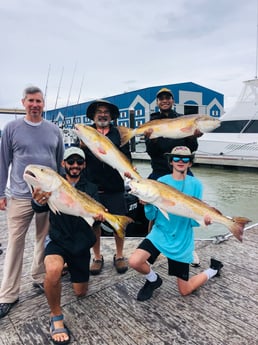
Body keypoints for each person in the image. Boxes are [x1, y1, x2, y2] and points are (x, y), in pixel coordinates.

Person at [0, 86, 64, 319]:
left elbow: (59, 165)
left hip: (48, 197)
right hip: (19, 196)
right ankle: (8, 294)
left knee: (43, 240)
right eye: (31, 101)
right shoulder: (11, 128)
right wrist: (0, 193)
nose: (35, 104)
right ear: (23, 102)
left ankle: (38, 276)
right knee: (15, 244)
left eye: (38, 101)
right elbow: (3, 162)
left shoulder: (54, 131)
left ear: (43, 104)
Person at [128, 146, 223, 302]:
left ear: (190, 163)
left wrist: (204, 220)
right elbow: (152, 215)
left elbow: (193, 221)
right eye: (176, 158)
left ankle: (213, 269)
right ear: (171, 161)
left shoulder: (196, 185)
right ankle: (153, 280)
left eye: (185, 159)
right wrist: (148, 204)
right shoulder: (161, 182)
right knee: (134, 261)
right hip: (160, 233)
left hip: (181, 238)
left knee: (185, 291)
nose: (180, 161)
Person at [31, 147, 102, 345]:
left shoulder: (92, 188)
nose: (75, 166)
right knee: (52, 270)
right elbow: (39, 207)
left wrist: (98, 218)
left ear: (84, 165)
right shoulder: (52, 184)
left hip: (80, 243)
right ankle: (56, 318)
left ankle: (69, 266)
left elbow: (95, 220)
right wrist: (37, 201)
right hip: (58, 239)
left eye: (79, 162)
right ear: (63, 164)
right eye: (71, 162)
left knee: (80, 292)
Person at [81, 99, 131, 275]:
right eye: (99, 112)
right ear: (93, 116)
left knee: (119, 222)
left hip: (115, 185)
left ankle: (119, 255)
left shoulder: (118, 134)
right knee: (95, 224)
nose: (102, 114)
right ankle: (97, 256)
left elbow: (127, 155)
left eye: (106, 112)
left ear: (111, 116)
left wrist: (129, 169)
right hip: (92, 186)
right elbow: (78, 158)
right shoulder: (86, 132)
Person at [145, 87, 202, 180]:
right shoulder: (152, 124)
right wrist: (153, 140)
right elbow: (151, 152)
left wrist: (192, 137)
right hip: (160, 171)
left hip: (182, 170)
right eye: (161, 99)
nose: (164, 101)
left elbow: (192, 149)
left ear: (173, 101)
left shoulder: (183, 120)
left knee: (193, 190)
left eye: (167, 98)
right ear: (157, 102)